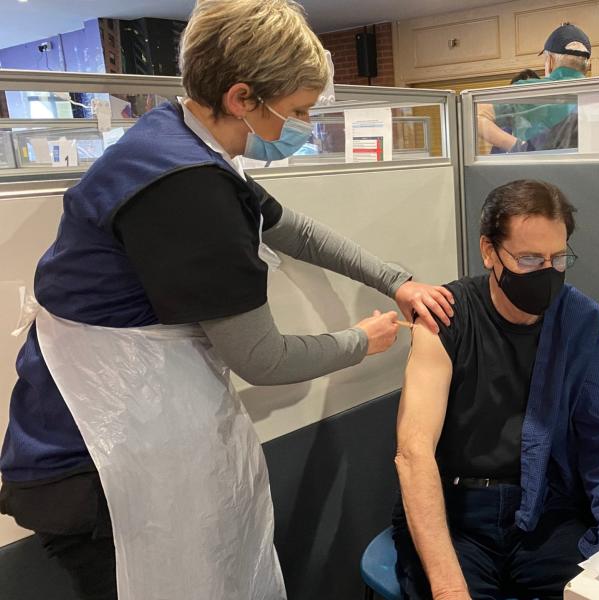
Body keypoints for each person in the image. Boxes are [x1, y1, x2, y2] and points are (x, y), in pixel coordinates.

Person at [0, 1, 454, 599]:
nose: (304, 126)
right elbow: (263, 360)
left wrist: (394, 278)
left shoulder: (177, 144)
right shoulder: (187, 190)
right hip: (90, 466)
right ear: (243, 97)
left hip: (111, 440)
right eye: (296, 112)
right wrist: (360, 342)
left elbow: (295, 230)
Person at [393, 180, 599, 600]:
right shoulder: (445, 316)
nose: (546, 272)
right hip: (458, 512)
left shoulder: (579, 319)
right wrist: (450, 587)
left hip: (543, 509)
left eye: (558, 259)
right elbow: (413, 453)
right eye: (528, 259)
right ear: (490, 252)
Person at [478, 23, 592, 153]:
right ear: (587, 66)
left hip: (536, 172)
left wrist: (519, 147)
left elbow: (477, 116)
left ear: (550, 61)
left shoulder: (529, 91)